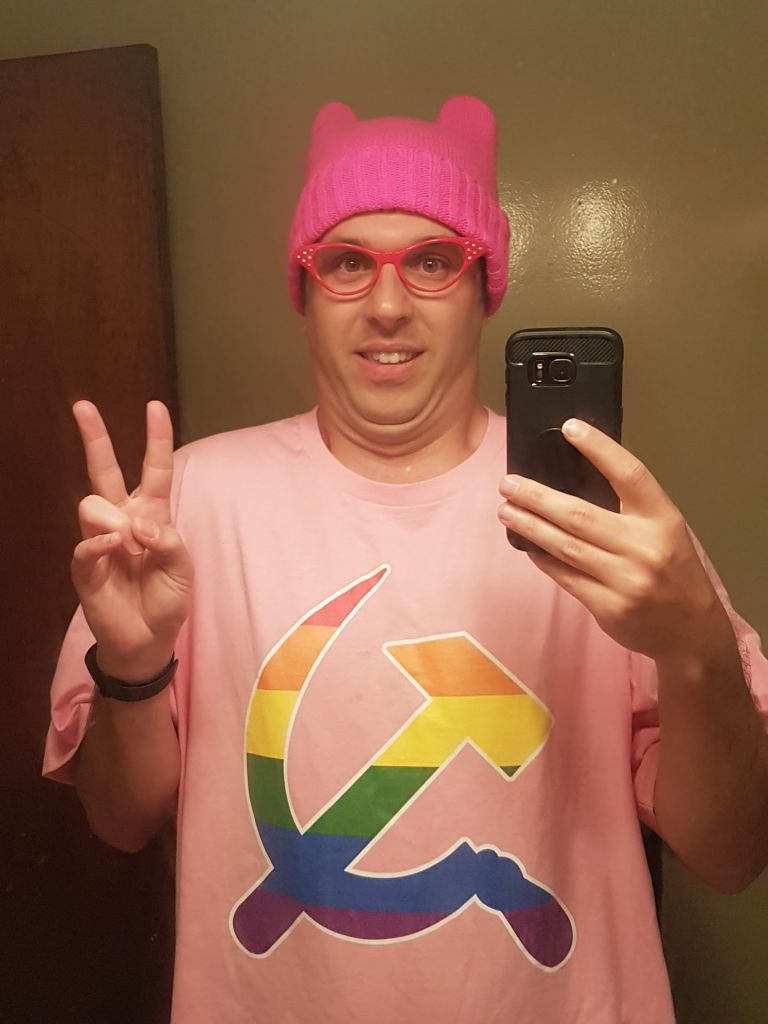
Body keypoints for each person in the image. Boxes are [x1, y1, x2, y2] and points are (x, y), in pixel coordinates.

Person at [44, 96, 768, 1024]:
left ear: (482, 289)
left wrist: (696, 648)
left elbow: (733, 855)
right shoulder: (189, 507)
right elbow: (119, 820)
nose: (387, 307)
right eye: (347, 263)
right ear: (306, 293)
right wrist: (133, 669)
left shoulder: (605, 518)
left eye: (432, 262)